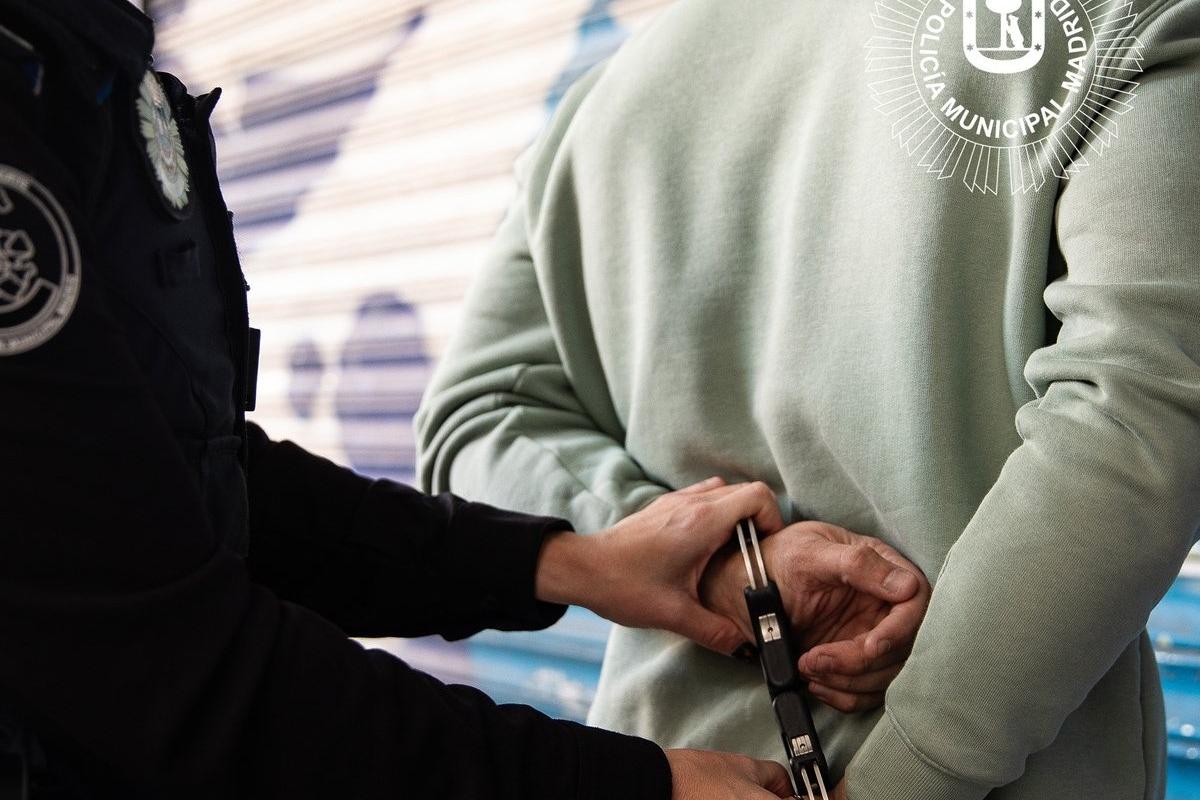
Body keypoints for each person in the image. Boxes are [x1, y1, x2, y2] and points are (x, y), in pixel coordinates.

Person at [0, 1, 932, 798]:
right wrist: (633, 783)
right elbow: (173, 666)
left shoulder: (75, 59)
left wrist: (577, 561)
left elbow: (184, 486)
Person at [413, 0, 1200, 798]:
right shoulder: (1122, 19)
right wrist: (900, 778)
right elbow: (1138, 422)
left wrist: (717, 568)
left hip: (677, 770)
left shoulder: (605, 103)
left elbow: (474, 423)